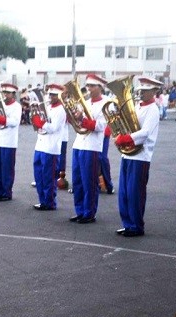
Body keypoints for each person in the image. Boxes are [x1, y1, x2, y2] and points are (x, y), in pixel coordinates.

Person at [113, 77, 162, 237]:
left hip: (141, 156)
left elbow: (145, 133)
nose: (141, 93)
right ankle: (127, 224)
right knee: (124, 193)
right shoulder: (137, 106)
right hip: (128, 155)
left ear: (154, 91)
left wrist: (125, 139)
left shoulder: (153, 110)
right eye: (141, 90)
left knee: (135, 193)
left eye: (146, 90)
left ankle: (136, 226)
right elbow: (127, 124)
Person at [69, 74, 108, 224]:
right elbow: (76, 122)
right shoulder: (84, 102)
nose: (89, 89)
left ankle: (89, 212)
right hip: (79, 144)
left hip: (92, 146)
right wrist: (73, 115)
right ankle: (80, 211)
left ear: (100, 87)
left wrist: (82, 120)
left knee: (89, 182)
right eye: (88, 86)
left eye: (92, 86)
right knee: (77, 181)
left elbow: (101, 126)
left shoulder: (106, 103)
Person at [30, 84, 67, 211]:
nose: (51, 96)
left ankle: (50, 202)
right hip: (40, 145)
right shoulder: (47, 107)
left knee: (49, 177)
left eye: (54, 94)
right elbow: (40, 125)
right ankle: (42, 200)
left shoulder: (61, 110)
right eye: (50, 94)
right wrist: (35, 120)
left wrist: (40, 122)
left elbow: (53, 127)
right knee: (39, 175)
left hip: (51, 147)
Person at [0, 83, 22, 201]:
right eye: (4, 93)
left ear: (13, 94)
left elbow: (14, 122)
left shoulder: (17, 106)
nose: (5, 95)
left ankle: (7, 192)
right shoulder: (0, 105)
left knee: (7, 168)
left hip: (9, 141)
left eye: (7, 93)